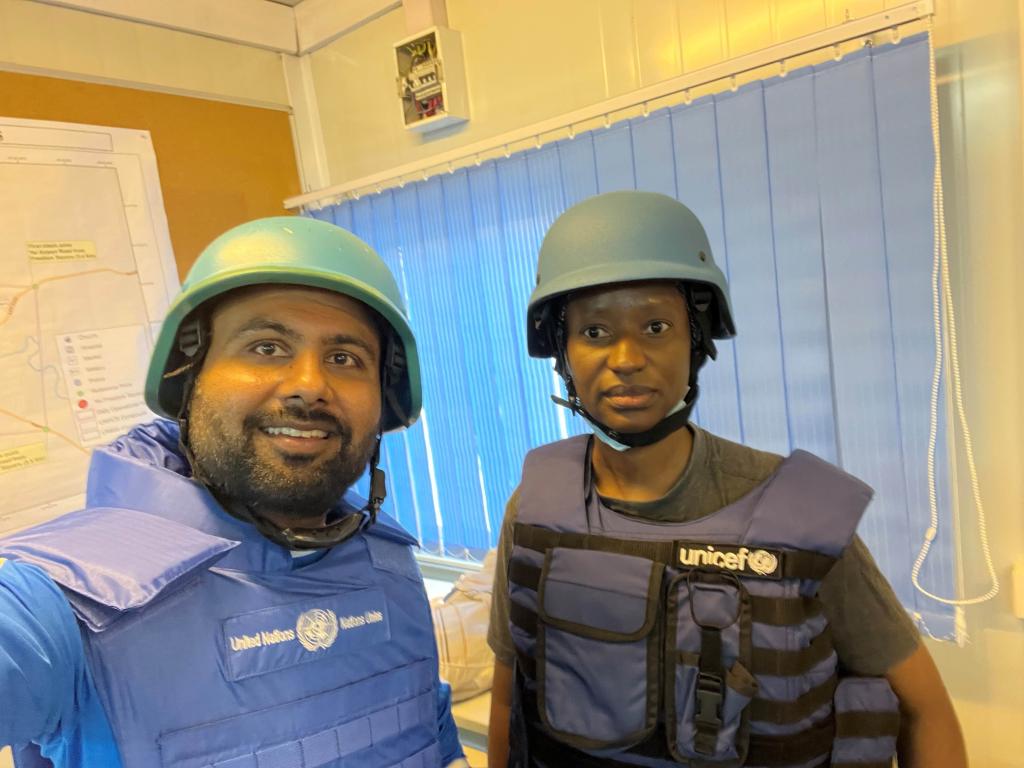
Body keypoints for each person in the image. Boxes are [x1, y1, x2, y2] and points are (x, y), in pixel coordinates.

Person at [486, 191, 968, 768]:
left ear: (697, 342)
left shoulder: (800, 517)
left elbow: (925, 709)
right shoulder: (537, 507)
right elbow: (510, 687)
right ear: (561, 353)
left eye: (656, 326)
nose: (626, 356)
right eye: (594, 332)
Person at [0, 217, 468, 768]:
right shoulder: (61, 597)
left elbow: (426, 729)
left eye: (345, 359)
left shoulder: (388, 563)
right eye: (266, 347)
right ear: (189, 378)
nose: (310, 386)